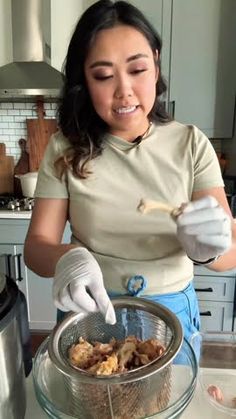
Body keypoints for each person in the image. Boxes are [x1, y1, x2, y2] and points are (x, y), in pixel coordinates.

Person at [24, 0, 235, 342]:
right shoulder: (65, 149)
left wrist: (208, 248)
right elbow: (37, 246)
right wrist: (68, 258)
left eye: (136, 70)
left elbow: (231, 252)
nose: (124, 91)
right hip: (92, 309)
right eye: (104, 76)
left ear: (155, 62)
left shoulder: (191, 144)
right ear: (85, 81)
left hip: (171, 313)